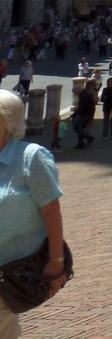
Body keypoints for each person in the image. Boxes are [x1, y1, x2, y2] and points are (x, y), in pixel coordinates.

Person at [0, 89, 69, 337]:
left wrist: (56, 260)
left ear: (5, 121)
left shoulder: (30, 157)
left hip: (12, 271)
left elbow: (51, 209)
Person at [72, 78, 98, 149]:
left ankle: (89, 138)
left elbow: (81, 108)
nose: (75, 94)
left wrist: (73, 115)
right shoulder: (85, 94)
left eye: (75, 92)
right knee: (81, 128)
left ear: (78, 91)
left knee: (77, 127)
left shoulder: (83, 95)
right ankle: (81, 143)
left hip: (85, 114)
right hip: (88, 114)